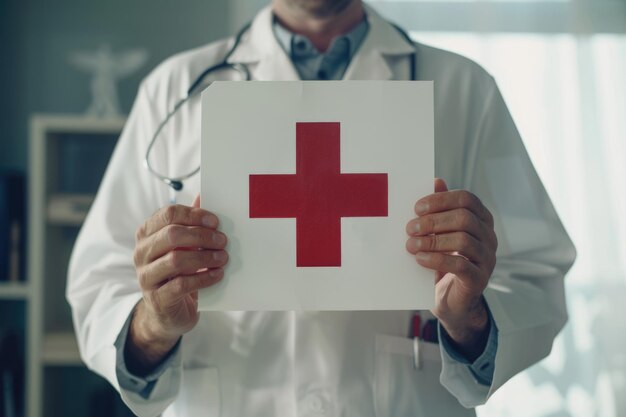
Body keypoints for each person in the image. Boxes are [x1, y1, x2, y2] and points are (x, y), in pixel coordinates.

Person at [67, 0, 576, 416]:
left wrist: (471, 317)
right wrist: (154, 323)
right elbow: (100, 282)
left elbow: (535, 275)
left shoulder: (467, 90)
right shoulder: (174, 90)